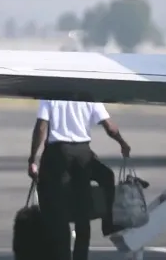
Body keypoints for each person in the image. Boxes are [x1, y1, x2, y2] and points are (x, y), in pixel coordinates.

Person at [28, 100, 130, 260]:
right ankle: (108, 223)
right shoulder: (89, 95)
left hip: (58, 155)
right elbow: (110, 127)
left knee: (59, 213)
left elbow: (41, 126)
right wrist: (122, 143)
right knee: (84, 211)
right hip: (82, 154)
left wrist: (32, 158)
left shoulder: (50, 95)